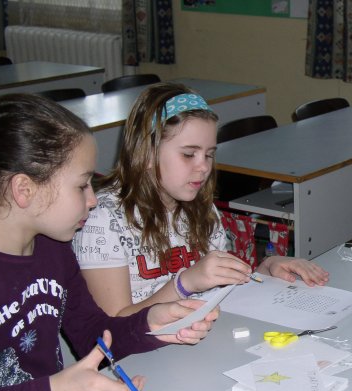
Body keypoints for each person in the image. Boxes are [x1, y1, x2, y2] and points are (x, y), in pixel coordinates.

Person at [0, 93, 216, 391]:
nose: (93, 199)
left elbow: (90, 335)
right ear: (25, 190)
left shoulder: (53, 250)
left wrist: (150, 323)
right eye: (82, 185)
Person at [73, 82, 329, 316]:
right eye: (188, 154)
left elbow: (220, 292)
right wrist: (184, 284)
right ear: (147, 153)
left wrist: (266, 270)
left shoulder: (199, 207)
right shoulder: (102, 219)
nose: (204, 167)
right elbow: (112, 328)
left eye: (209, 154)